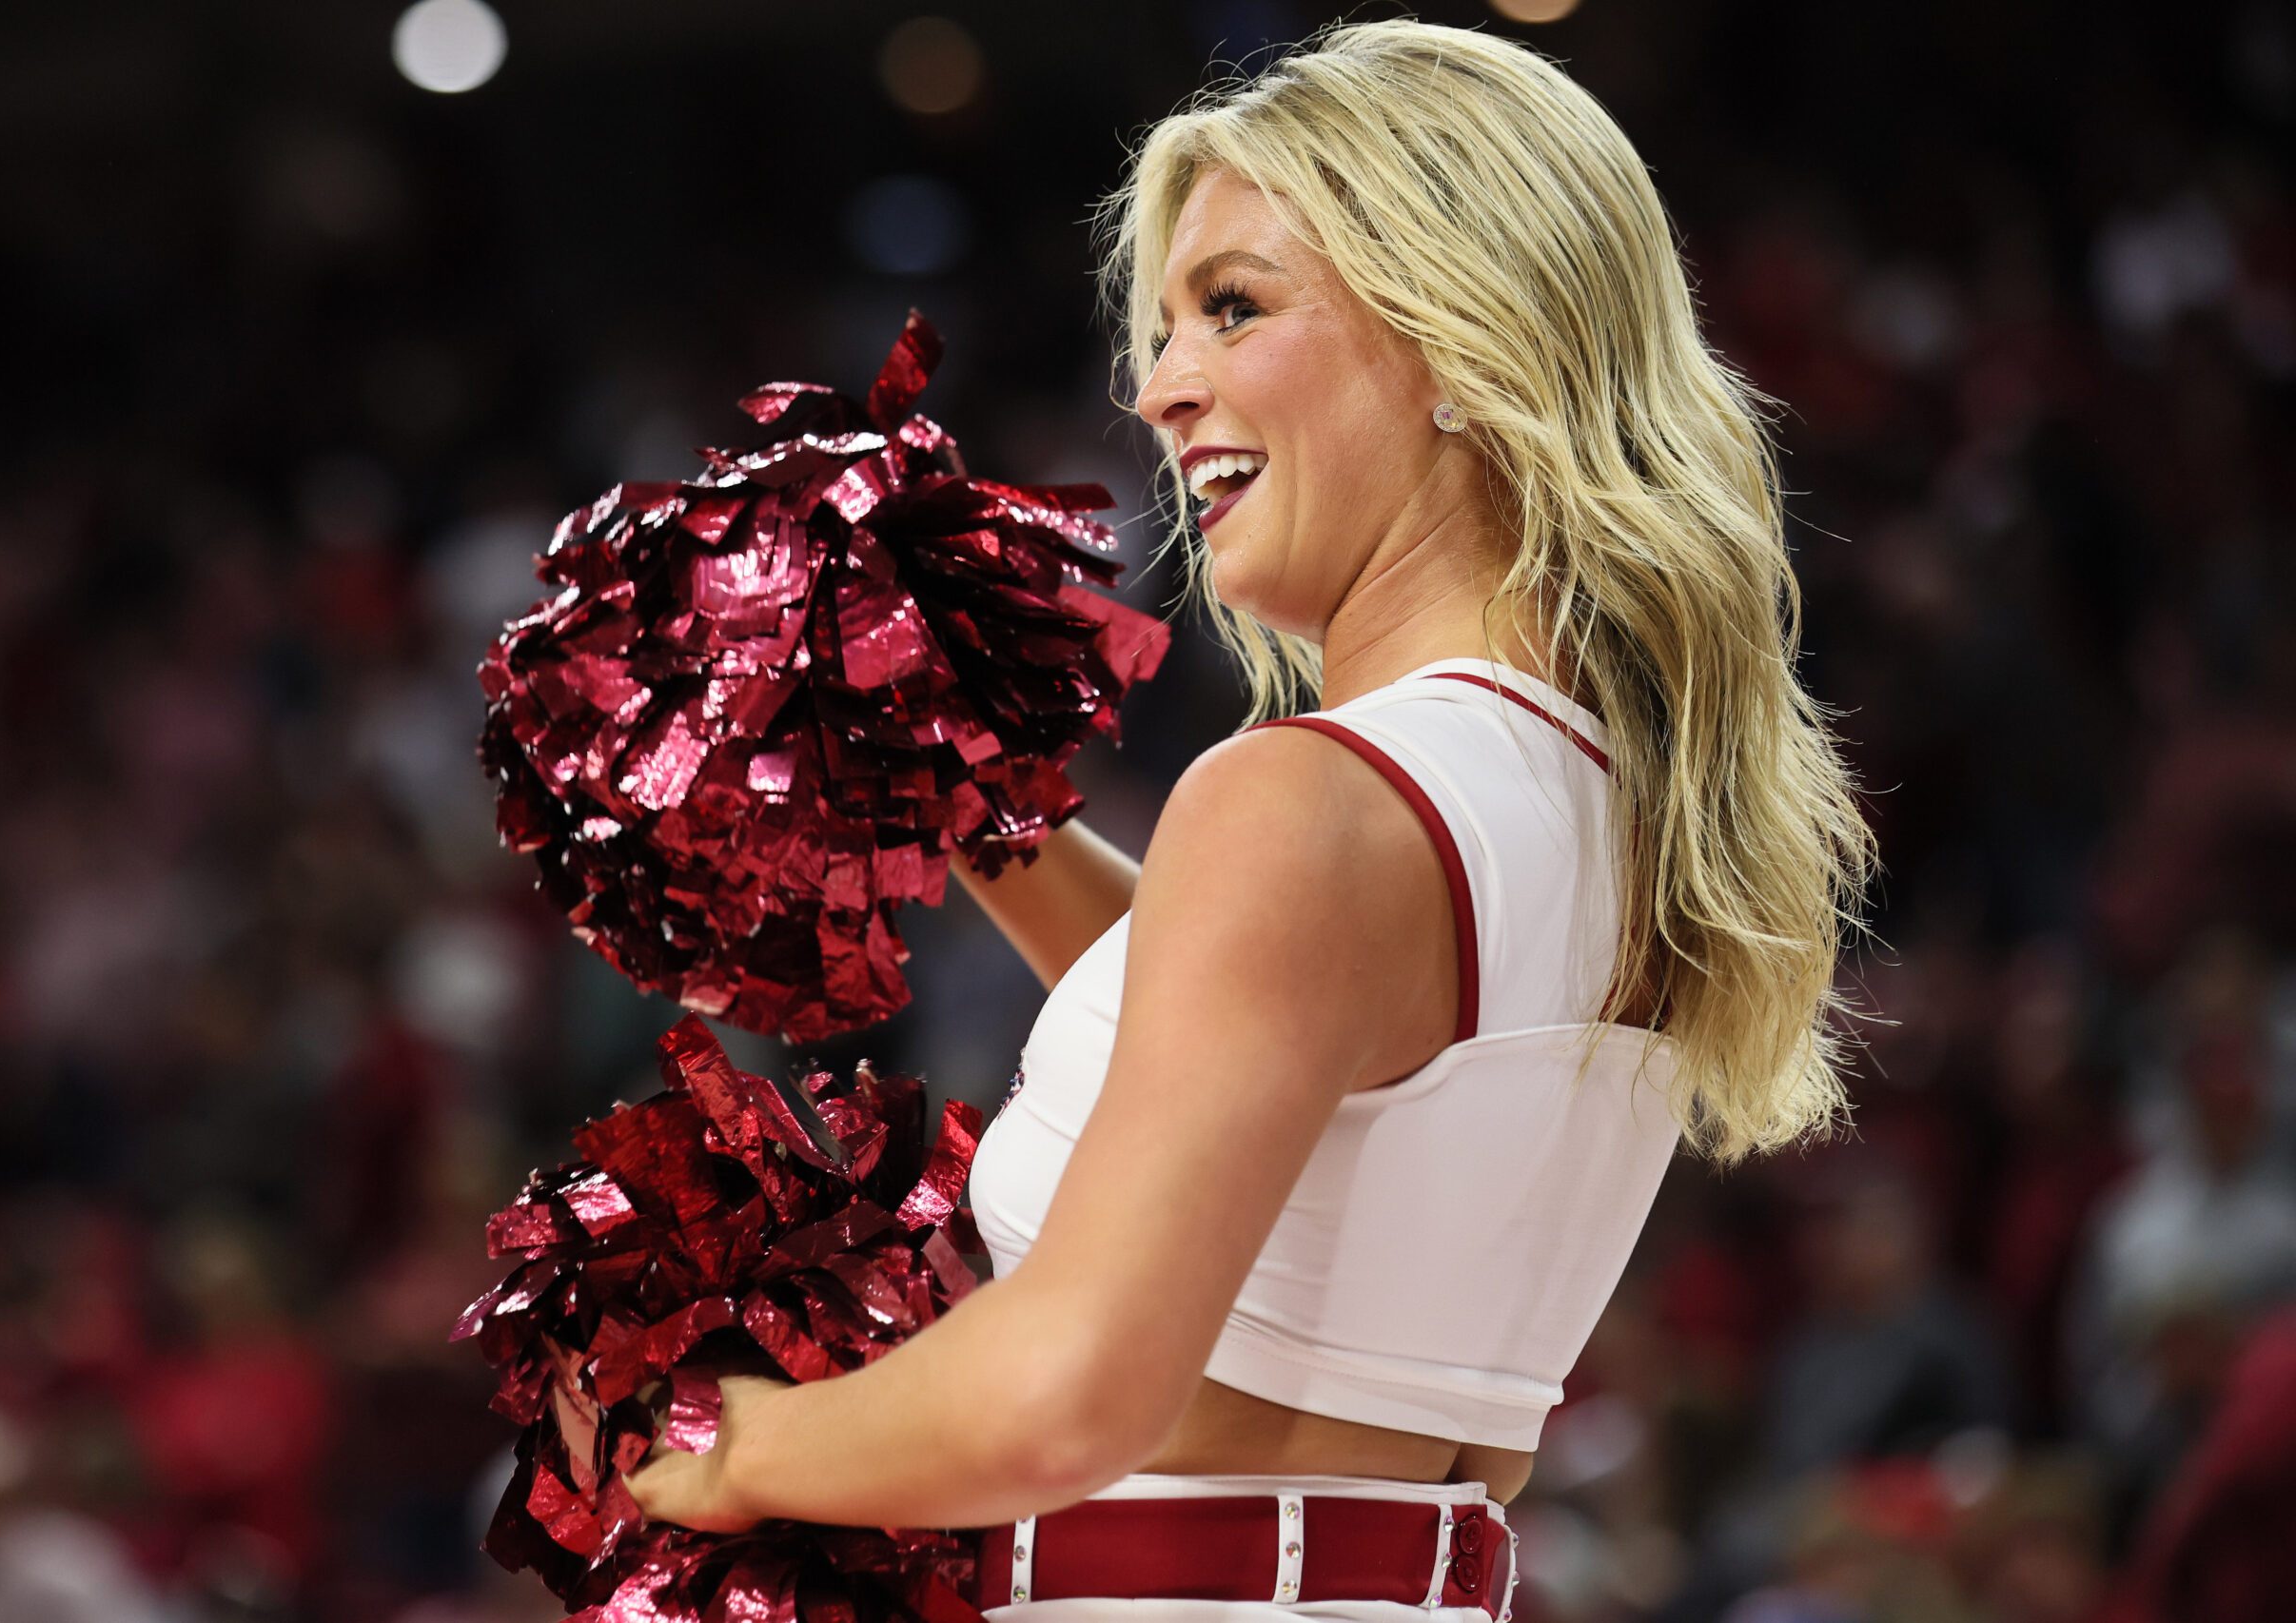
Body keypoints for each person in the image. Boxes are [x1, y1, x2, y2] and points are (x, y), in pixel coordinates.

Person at [621, 19, 1881, 1622]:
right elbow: (1279, 1049)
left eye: (1233, 306)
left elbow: (1067, 1397)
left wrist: (729, 1448)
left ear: (1457, 334)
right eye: (1161, 327)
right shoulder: (1610, 807)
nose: (1158, 388)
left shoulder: (1305, 803)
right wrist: (963, 793)